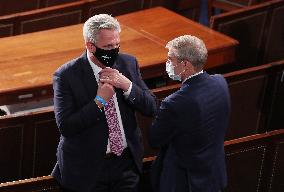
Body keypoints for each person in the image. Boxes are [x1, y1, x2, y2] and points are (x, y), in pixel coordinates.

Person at [51, 14, 157, 192]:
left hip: (125, 164)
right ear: (89, 46)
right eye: (108, 46)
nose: (114, 50)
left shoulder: (128, 63)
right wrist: (99, 101)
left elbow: (151, 107)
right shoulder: (66, 76)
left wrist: (127, 85)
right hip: (87, 170)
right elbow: (66, 127)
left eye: (117, 45)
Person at [149, 35, 230, 192]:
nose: (167, 64)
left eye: (170, 59)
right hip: (214, 176)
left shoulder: (174, 103)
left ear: (185, 64)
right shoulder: (221, 82)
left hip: (185, 183)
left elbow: (155, 140)